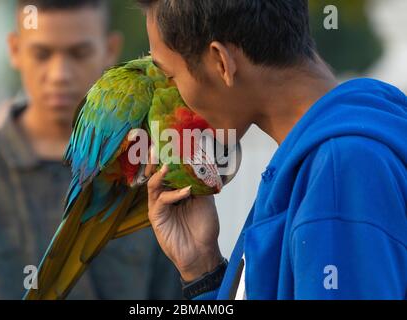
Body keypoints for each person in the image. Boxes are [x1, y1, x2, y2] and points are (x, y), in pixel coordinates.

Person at [139, 0, 407, 299]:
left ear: (221, 63)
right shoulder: (322, 156)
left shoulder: (338, 171)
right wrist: (204, 273)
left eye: (171, 77)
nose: (174, 96)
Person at [0, 0, 181, 299]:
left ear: (111, 49)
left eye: (79, 53)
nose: (60, 74)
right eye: (42, 53)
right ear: (14, 50)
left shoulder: (156, 159)